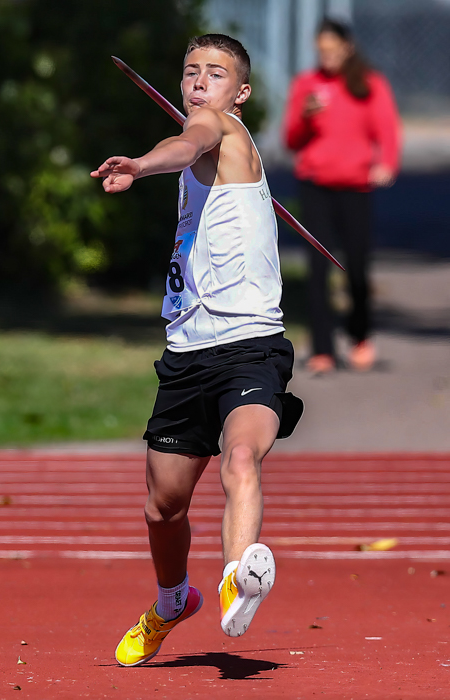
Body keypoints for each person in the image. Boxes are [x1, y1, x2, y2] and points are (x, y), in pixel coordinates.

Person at [91, 33, 303, 667]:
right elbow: (183, 148)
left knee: (242, 456)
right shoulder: (199, 146)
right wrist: (155, 163)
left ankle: (239, 577)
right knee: (163, 508)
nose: (199, 83)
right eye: (190, 73)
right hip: (187, 352)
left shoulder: (220, 128)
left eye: (215, 73)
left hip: (251, 346)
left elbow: (188, 142)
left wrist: (140, 165)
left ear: (240, 93)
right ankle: (172, 601)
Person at [283, 18, 401, 374]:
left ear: (347, 48)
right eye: (322, 51)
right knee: (318, 268)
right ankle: (323, 349)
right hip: (315, 185)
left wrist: (387, 164)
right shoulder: (307, 85)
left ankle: (360, 335)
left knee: (357, 266)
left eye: (333, 50)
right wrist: (305, 117)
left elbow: (387, 129)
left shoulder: (370, 83)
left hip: (355, 186)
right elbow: (291, 139)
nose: (327, 57)